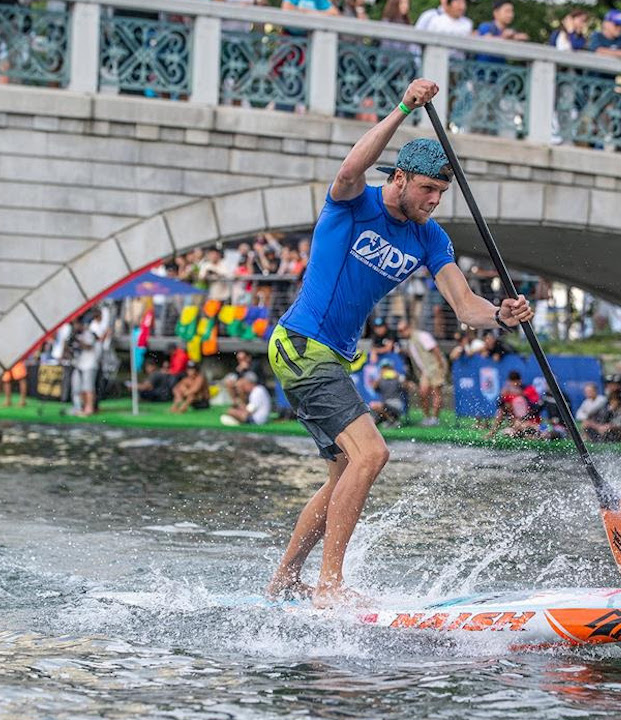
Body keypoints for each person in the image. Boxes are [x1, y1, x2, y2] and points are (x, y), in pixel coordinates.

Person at [265, 79, 534, 608]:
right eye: (427, 191)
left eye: (442, 193)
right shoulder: (352, 203)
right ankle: (330, 587)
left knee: (344, 474)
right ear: (402, 179)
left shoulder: (429, 236)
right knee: (372, 453)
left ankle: (284, 580)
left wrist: (501, 316)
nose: (434, 202)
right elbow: (349, 168)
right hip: (300, 342)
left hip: (331, 358)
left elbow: (463, 305)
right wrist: (402, 108)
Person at [400, 320, 446, 427]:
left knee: (436, 393)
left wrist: (440, 366)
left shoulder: (422, 335)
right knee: (423, 393)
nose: (401, 332)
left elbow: (435, 349)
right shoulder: (411, 341)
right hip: (425, 370)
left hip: (434, 367)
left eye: (402, 330)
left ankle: (435, 418)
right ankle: (427, 418)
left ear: (409, 327)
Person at [368, 359, 405, 427]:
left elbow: (409, 387)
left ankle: (392, 421)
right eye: (384, 368)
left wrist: (399, 377)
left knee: (375, 405)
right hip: (386, 405)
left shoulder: (397, 378)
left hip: (396, 404)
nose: (386, 370)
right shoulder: (381, 380)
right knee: (372, 420)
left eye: (387, 368)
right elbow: (373, 388)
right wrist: (379, 377)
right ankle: (391, 421)